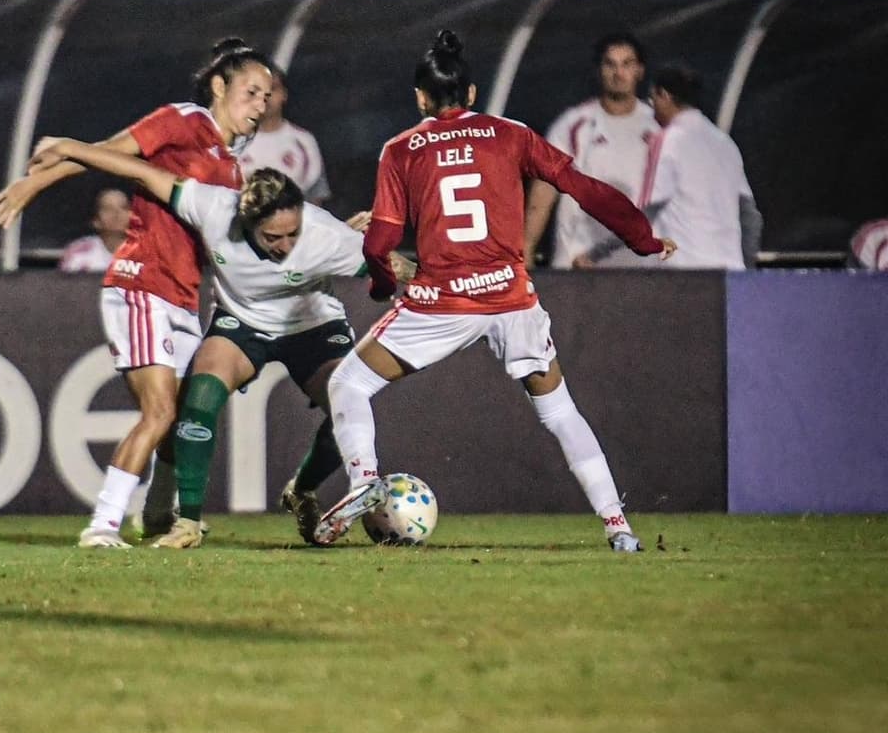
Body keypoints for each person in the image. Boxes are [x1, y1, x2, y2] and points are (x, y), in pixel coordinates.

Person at [314, 30, 677, 552]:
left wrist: (382, 282)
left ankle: (363, 481)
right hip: (511, 299)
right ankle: (618, 526)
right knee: (559, 412)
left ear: (420, 98)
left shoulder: (402, 149)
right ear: (473, 93)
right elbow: (584, 187)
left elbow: (381, 242)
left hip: (443, 301)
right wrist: (641, 239)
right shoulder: (511, 134)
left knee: (349, 383)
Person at [39, 137, 414, 547]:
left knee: (346, 402)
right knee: (198, 400)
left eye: (293, 234)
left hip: (313, 327)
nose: (286, 246)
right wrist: (72, 149)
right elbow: (139, 171)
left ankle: (302, 489)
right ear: (247, 220)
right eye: (274, 237)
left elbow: (397, 265)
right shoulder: (214, 208)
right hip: (242, 323)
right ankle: (189, 523)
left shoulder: (325, 235)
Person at [0, 38, 273, 548]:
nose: (261, 106)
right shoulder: (183, 120)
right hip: (140, 284)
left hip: (183, 297)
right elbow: (109, 155)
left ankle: (156, 512)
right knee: (160, 412)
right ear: (218, 86)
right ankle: (102, 525)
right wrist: (35, 184)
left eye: (266, 96)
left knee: (186, 415)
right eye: (252, 93)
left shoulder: (232, 167)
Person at [576, 65, 761, 270]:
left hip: (686, 272)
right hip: (730, 274)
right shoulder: (725, 144)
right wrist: (746, 272)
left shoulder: (667, 140)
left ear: (663, 95)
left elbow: (645, 214)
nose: (652, 106)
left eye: (652, 98)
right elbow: (751, 218)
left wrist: (596, 253)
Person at [523, 32, 658, 269]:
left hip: (643, 269)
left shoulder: (658, 127)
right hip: (577, 266)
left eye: (627, 64)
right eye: (610, 64)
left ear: (640, 70)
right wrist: (526, 249)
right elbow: (543, 192)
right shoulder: (572, 125)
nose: (619, 73)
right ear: (599, 71)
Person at [238, 65, 332, 206]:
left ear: (284, 94)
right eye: (257, 91)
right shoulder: (233, 140)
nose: (266, 97)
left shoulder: (304, 142)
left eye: (273, 89)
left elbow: (315, 198)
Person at [56, 187, 131, 273]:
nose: (117, 214)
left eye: (124, 208)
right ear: (95, 220)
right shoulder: (78, 254)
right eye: (108, 209)